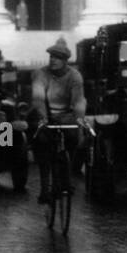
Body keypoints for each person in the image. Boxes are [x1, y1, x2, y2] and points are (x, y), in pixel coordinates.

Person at [30, 37, 86, 204]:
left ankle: (67, 177)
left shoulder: (75, 76)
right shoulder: (41, 73)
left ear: (65, 61)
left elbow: (78, 100)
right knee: (41, 145)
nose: (53, 60)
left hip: (67, 114)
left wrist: (79, 119)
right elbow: (38, 98)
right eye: (51, 57)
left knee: (74, 138)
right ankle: (44, 189)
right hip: (46, 113)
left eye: (57, 57)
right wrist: (43, 117)